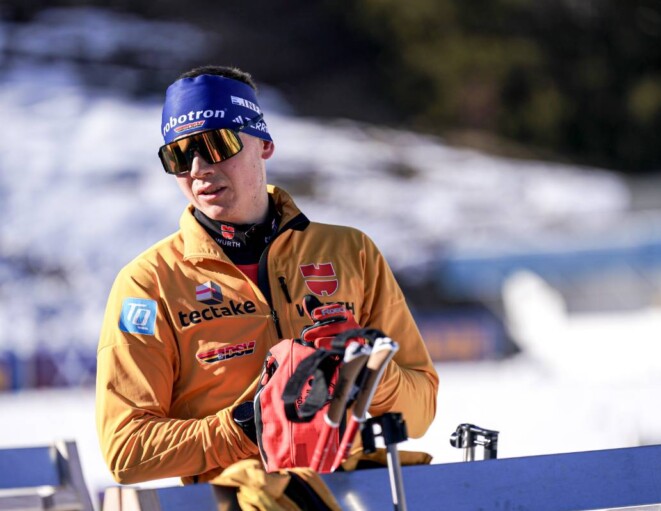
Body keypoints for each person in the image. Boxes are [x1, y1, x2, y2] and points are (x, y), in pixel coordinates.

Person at [95, 65, 439, 485]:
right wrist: (249, 424)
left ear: (264, 144)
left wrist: (368, 374)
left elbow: (421, 410)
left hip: (352, 494)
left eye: (216, 144)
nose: (198, 168)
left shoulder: (351, 252)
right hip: (242, 500)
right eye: (178, 156)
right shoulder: (149, 283)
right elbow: (127, 451)